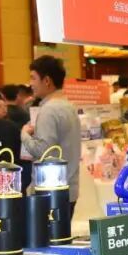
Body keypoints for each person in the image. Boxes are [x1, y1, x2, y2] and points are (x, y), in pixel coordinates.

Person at [21, 56, 82, 212]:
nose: (30, 84)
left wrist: (24, 135)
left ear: (47, 81)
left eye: (33, 78)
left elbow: (42, 151)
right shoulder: (69, 106)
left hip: (49, 192)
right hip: (68, 189)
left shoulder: (49, 110)